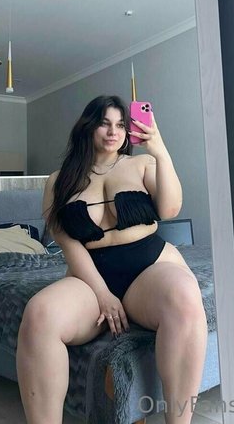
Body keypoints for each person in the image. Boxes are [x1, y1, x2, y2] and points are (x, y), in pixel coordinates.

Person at [16, 95, 208, 424]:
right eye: (104, 123)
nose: (113, 131)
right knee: (39, 314)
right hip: (90, 277)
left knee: (185, 296)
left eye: (120, 125)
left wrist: (159, 149)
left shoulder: (142, 164)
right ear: (88, 126)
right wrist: (103, 294)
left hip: (149, 269)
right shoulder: (59, 180)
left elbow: (170, 209)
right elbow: (67, 241)